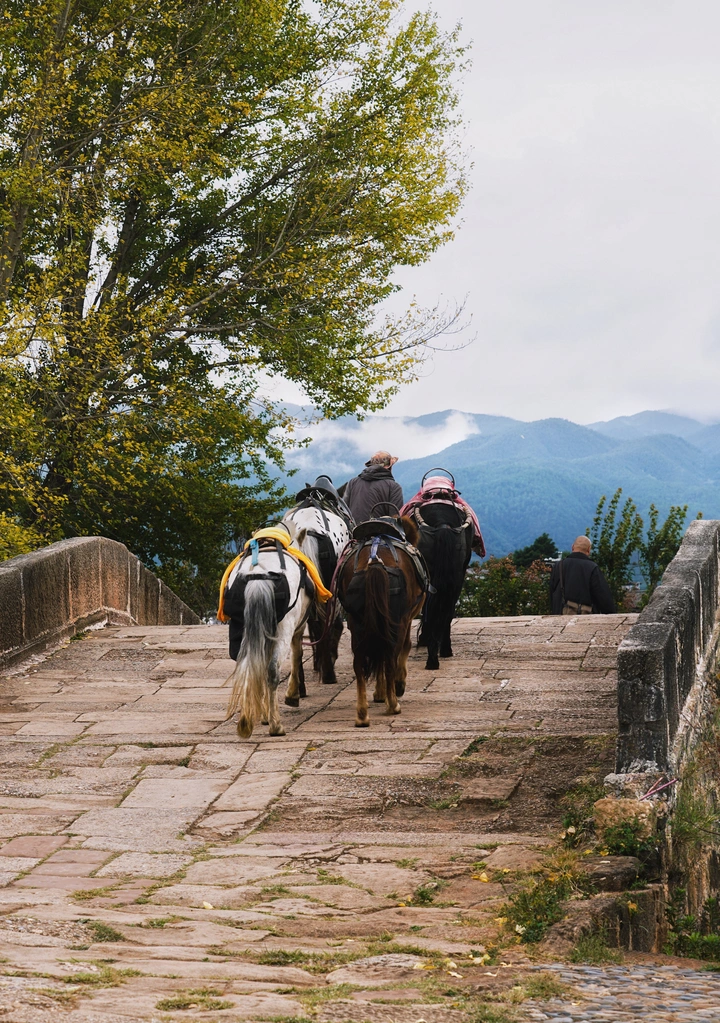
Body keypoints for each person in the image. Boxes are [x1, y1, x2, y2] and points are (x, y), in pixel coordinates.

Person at [550, 536, 616, 614]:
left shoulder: (558, 566)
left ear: (572, 547)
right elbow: (605, 600)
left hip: (560, 617)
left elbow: (552, 593)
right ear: (589, 550)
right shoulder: (592, 568)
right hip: (585, 618)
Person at [342, 451, 403, 523]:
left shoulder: (353, 482)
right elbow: (395, 519)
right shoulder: (394, 487)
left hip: (354, 529)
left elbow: (344, 510)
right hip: (380, 529)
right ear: (389, 466)